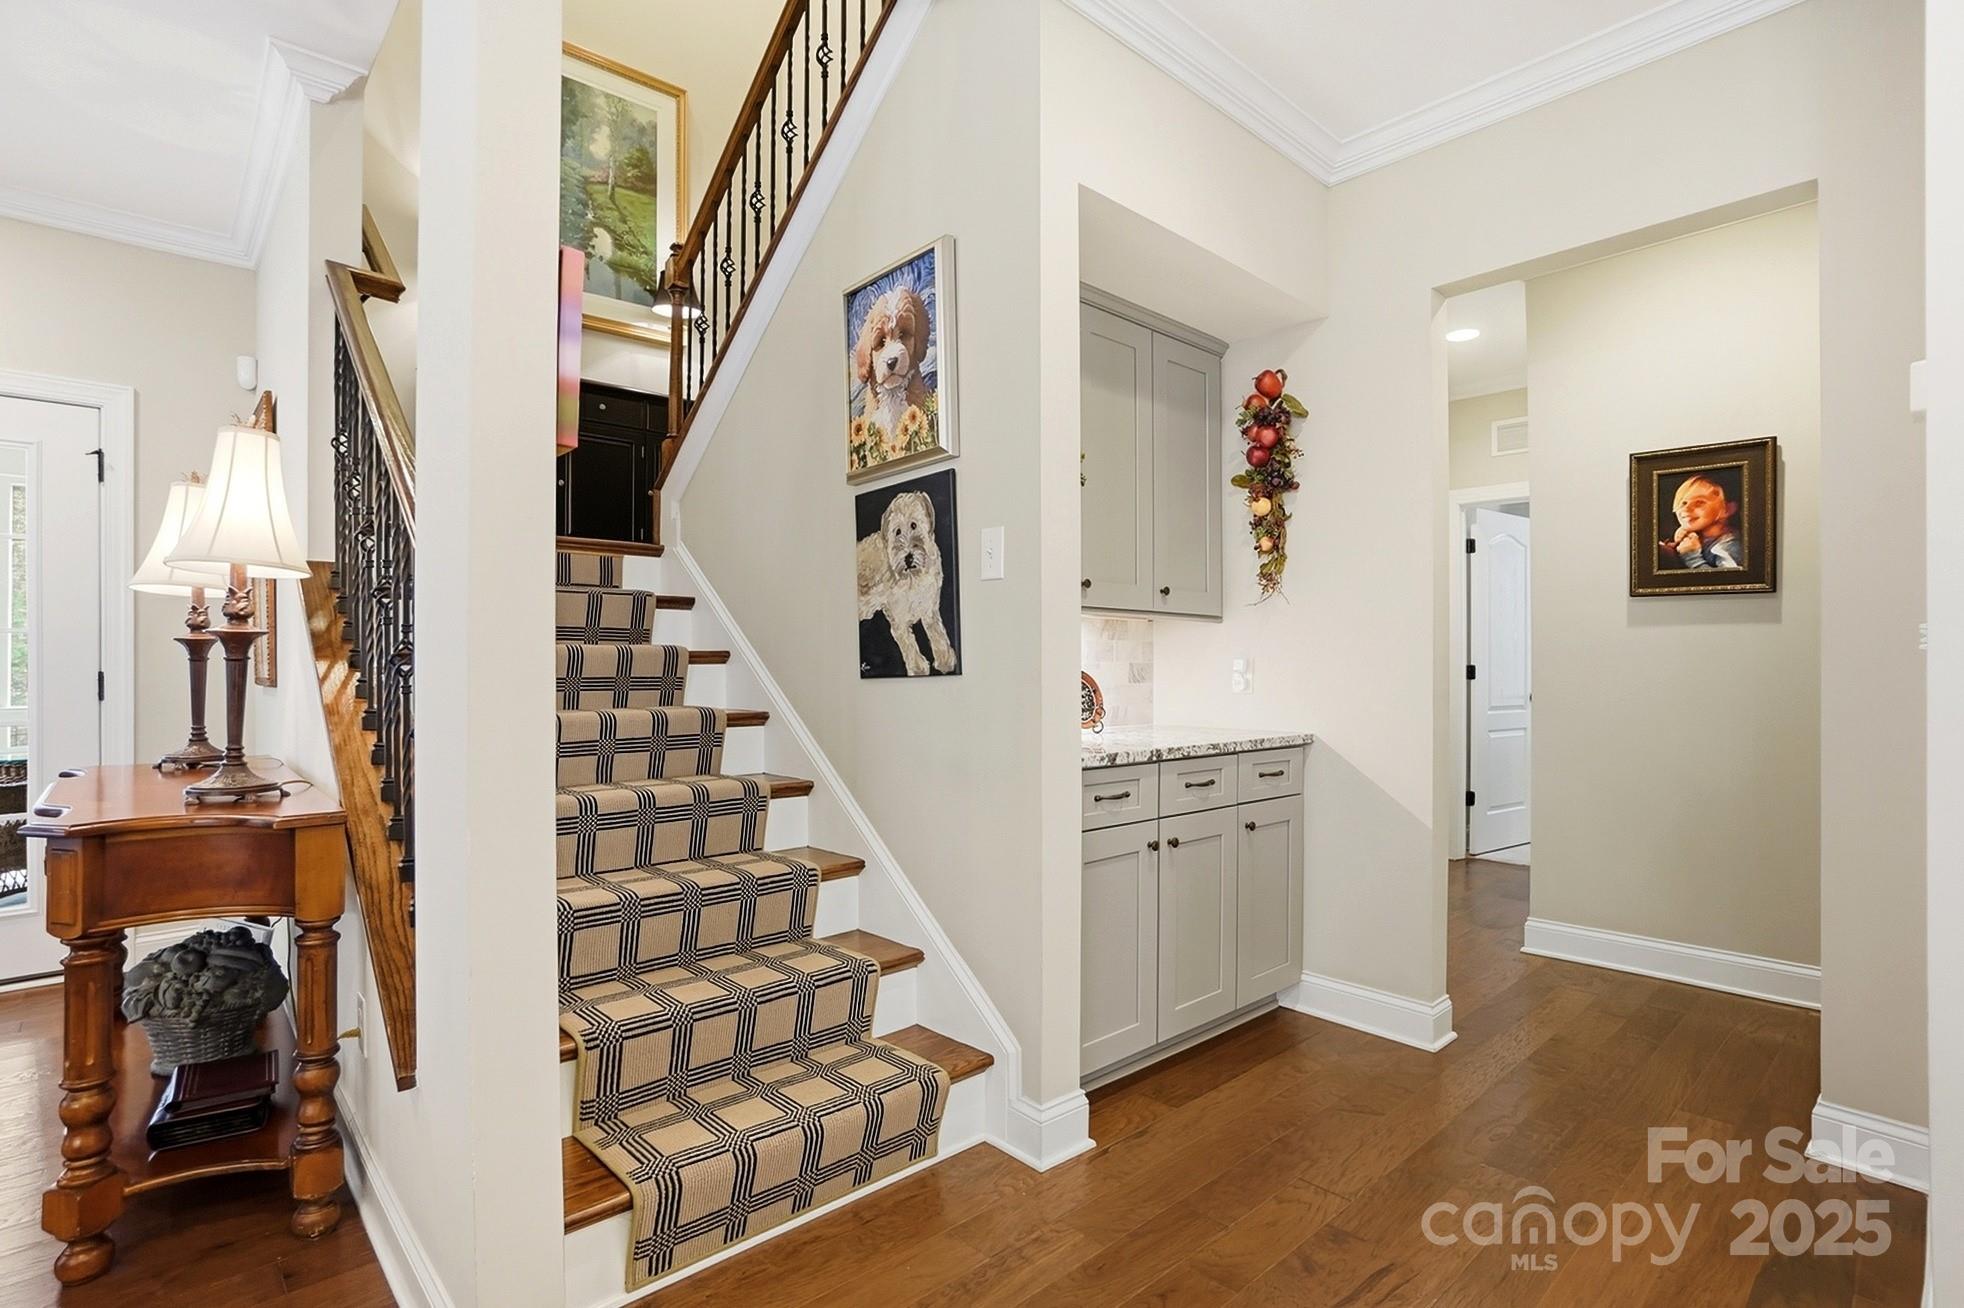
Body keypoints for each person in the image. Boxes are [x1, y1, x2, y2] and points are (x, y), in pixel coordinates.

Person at [1661, 473, 1743, 569]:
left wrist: (1691, 557)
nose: (1685, 509)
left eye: (1699, 502)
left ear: (1727, 509)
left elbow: (1726, 582)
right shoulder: (1700, 535)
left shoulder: (1727, 547)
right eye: (1683, 503)